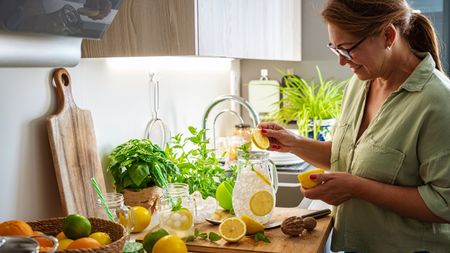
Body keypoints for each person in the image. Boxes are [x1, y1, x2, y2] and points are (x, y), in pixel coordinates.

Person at [259, 0, 450, 252]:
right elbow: (351, 157)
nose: (341, 62)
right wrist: (293, 143)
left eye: (347, 50)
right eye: (334, 49)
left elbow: (444, 202)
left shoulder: (438, 101)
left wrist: (357, 188)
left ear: (387, 36)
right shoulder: (359, 84)